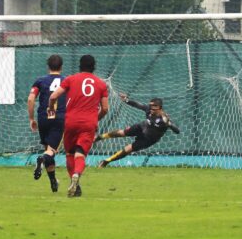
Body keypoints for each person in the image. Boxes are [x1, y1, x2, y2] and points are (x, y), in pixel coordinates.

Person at [48, 55, 109, 197]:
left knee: (70, 153)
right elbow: (105, 108)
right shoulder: (100, 84)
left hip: (71, 122)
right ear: (94, 66)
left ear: (79, 66)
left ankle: (74, 183)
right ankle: (76, 174)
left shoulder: (70, 79)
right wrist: (96, 118)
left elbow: (53, 96)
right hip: (89, 123)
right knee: (80, 153)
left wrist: (51, 108)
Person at [96, 93, 180, 167]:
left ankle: (106, 161)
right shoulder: (149, 109)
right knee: (123, 132)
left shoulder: (164, 119)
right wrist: (126, 100)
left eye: (153, 107)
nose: (151, 108)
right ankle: (99, 137)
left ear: (160, 108)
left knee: (128, 149)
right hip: (142, 127)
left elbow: (177, 131)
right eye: (150, 106)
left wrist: (169, 124)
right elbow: (138, 105)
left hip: (149, 139)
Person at [27, 54, 66, 192]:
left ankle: (53, 182)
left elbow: (31, 99)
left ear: (48, 66)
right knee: (50, 152)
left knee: (48, 151)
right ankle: (42, 160)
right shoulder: (66, 81)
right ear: (61, 67)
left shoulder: (40, 81)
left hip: (43, 118)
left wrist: (31, 119)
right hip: (59, 118)